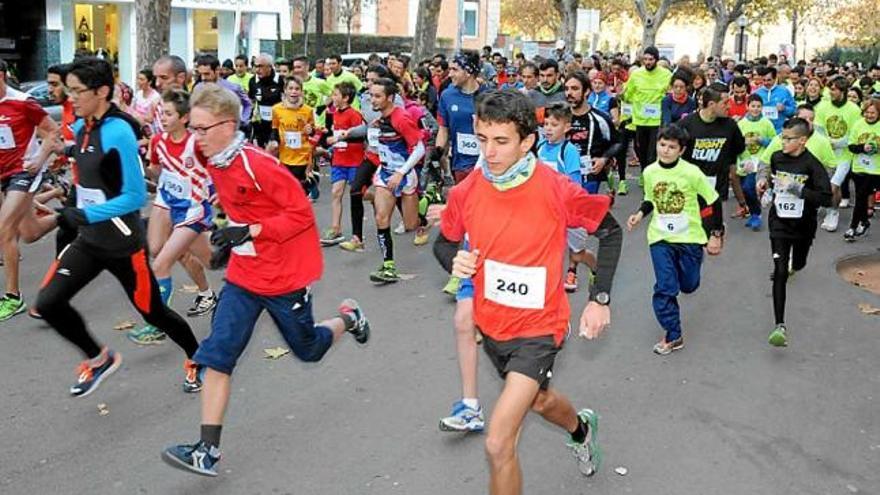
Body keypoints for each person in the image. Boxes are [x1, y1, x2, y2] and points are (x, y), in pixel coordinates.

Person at [161, 83, 370, 477]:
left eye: (202, 129)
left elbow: (301, 216)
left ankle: (349, 318)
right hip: (244, 274)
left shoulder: (260, 165)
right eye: (194, 128)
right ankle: (207, 450)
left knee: (307, 349)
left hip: (284, 274)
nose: (196, 136)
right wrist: (224, 229)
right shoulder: (210, 158)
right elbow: (203, 192)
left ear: (227, 125)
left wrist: (250, 230)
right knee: (217, 354)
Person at [439, 89, 622, 494]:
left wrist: (599, 299)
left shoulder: (555, 188)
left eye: (501, 141)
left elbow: (610, 232)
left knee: (498, 442)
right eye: (483, 139)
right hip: (493, 326)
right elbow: (445, 242)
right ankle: (581, 428)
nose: (489, 152)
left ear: (527, 142)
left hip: (540, 329)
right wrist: (455, 260)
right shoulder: (468, 189)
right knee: (539, 401)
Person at [36, 57, 202, 395]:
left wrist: (83, 215)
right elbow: (89, 171)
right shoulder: (83, 128)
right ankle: (99, 359)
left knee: (154, 313)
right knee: (49, 302)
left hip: (124, 246)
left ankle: (197, 356)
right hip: (89, 241)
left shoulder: (119, 131)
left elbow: (134, 195)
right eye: (69, 91)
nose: (72, 98)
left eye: (78, 91)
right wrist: (61, 156)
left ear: (103, 91)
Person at [127, 88, 218, 345]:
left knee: (212, 261)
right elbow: (155, 171)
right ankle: (204, 295)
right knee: (157, 251)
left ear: (184, 117)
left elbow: (217, 169)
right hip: (166, 201)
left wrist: (215, 192)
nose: (162, 118)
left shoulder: (197, 143)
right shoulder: (157, 141)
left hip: (192, 208)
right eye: (160, 113)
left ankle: (156, 324)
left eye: (168, 114)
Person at [627, 124, 724, 355]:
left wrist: (715, 234)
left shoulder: (691, 172)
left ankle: (690, 273)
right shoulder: (650, 172)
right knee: (665, 287)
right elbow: (650, 198)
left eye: (672, 147)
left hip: (689, 237)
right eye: (662, 145)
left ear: (681, 150)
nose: (666, 150)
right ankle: (673, 334)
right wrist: (639, 214)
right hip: (660, 237)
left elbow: (713, 200)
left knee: (689, 285)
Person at [756, 117, 832, 347]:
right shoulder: (777, 158)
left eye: (788, 139)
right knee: (779, 270)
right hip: (779, 222)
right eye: (782, 137)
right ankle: (780, 325)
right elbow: (773, 181)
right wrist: (765, 187)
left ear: (802, 141)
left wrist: (798, 188)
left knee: (798, 263)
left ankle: (796, 265)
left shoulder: (812, 165)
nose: (783, 142)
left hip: (804, 225)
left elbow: (825, 198)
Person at [0, 58, 61, 321]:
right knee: (30, 233)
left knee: (5, 229)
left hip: (23, 172)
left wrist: (39, 159)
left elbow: (52, 131)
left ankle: (13, 297)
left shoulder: (23, 102)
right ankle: (70, 216)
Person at [367, 77, 424, 283]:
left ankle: (423, 210)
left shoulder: (401, 118)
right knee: (381, 218)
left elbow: (420, 148)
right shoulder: (381, 118)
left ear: (390, 98)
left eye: (377, 96)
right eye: (371, 95)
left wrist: (401, 172)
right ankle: (388, 266)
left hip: (405, 175)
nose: (372, 100)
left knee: (411, 224)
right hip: (385, 175)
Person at [678, 85, 745, 209]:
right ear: (712, 104)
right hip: (691, 186)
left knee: (716, 225)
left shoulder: (730, 126)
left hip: (718, 187)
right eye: (725, 103)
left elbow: (738, 152)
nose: (729, 106)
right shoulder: (686, 124)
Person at [814, 76, 862, 231]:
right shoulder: (822, 107)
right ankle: (827, 206)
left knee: (833, 185)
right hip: (825, 154)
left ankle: (833, 213)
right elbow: (819, 129)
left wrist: (839, 142)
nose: (830, 92)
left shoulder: (853, 109)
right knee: (823, 185)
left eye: (833, 89)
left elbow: (855, 133)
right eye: (830, 89)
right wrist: (826, 142)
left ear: (842, 90)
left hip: (844, 155)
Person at [321, 81, 366, 246]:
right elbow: (329, 136)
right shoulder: (332, 113)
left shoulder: (354, 115)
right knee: (336, 192)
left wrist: (342, 137)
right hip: (339, 160)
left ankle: (380, 205)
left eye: (336, 94)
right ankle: (335, 228)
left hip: (354, 160)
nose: (333, 97)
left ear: (346, 98)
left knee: (360, 195)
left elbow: (360, 137)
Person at [621, 46, 673, 177]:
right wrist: (622, 97)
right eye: (645, 59)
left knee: (652, 154)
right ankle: (645, 172)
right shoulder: (637, 74)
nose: (648, 62)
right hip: (640, 120)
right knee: (640, 151)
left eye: (651, 59)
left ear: (656, 59)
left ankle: (650, 176)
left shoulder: (666, 74)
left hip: (656, 121)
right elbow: (628, 94)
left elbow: (671, 93)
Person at [734, 94, 777, 230]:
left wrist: (762, 141)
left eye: (759, 106)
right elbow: (735, 142)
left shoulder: (767, 123)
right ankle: (753, 212)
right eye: (753, 106)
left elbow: (774, 142)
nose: (756, 109)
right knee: (745, 189)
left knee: (748, 187)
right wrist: (742, 143)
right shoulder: (741, 124)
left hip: (759, 161)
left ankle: (756, 214)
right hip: (744, 161)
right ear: (747, 107)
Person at [268, 76, 315, 190]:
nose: (294, 92)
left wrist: (311, 131)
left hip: (302, 157)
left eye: (297, 89)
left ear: (301, 91)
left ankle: (309, 184)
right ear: (285, 90)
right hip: (285, 156)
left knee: (296, 189)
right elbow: (274, 128)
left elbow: (313, 134)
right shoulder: (276, 109)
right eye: (291, 88)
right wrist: (274, 141)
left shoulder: (307, 110)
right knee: (286, 190)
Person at [844, 98, 880, 241]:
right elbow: (851, 145)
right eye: (867, 112)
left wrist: (876, 148)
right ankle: (857, 225)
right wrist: (862, 148)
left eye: (873, 113)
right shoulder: (858, 124)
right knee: (861, 197)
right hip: (860, 167)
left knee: (863, 197)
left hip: (876, 169)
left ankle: (859, 225)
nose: (869, 115)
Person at [194, 54, 253, 129]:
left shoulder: (232, 88)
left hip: (227, 133)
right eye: (201, 74)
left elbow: (247, 104)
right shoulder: (198, 88)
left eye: (207, 74)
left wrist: (243, 121)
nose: (203, 78)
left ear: (217, 70)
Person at [249, 54, 284, 146]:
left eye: (260, 66)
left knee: (274, 148)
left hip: (277, 124)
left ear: (269, 67)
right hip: (260, 124)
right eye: (255, 66)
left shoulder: (280, 80)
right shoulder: (253, 81)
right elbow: (252, 101)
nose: (257, 70)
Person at [755, 66, 796, 134]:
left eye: (769, 80)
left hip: (779, 131)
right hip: (761, 131)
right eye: (764, 80)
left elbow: (794, 110)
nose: (766, 83)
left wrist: (784, 108)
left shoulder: (784, 91)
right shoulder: (757, 93)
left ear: (775, 79)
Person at [129, 69, 161, 135]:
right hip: (136, 126)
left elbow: (150, 118)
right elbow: (132, 109)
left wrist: (136, 115)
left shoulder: (155, 97)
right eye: (138, 79)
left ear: (149, 82)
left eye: (142, 79)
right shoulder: (138, 94)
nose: (138, 82)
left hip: (148, 131)